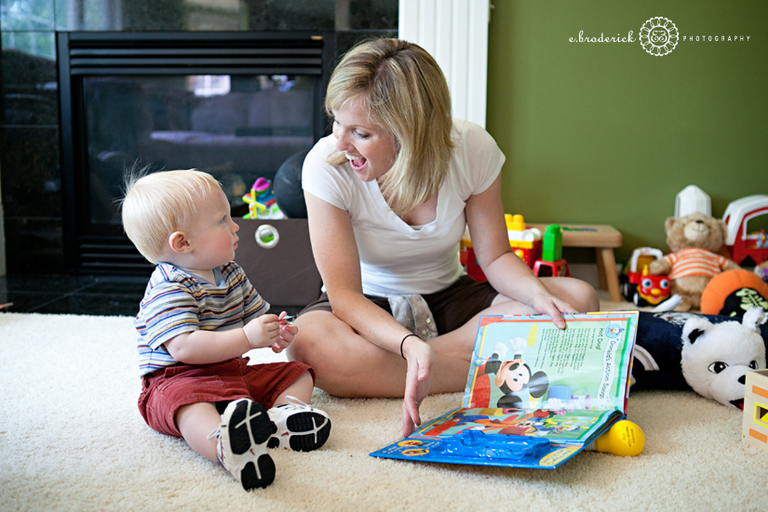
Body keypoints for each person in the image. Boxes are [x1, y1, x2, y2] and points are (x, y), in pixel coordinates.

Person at [287, 39, 599, 437]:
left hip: (452, 298)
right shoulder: (325, 165)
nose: (341, 143)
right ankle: (482, 370)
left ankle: (420, 369)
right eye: (337, 123)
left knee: (575, 300)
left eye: (360, 133)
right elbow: (345, 296)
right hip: (368, 305)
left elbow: (497, 255)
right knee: (309, 344)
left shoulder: (472, 149)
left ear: (409, 132)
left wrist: (536, 296)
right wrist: (406, 344)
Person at [121, 169, 331, 491]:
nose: (235, 226)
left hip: (232, 373)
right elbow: (184, 348)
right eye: (222, 221)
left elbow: (256, 318)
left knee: (297, 372)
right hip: (177, 379)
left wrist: (277, 332)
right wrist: (247, 337)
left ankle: (279, 421)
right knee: (190, 407)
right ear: (183, 242)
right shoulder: (169, 287)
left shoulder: (231, 273)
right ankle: (224, 445)